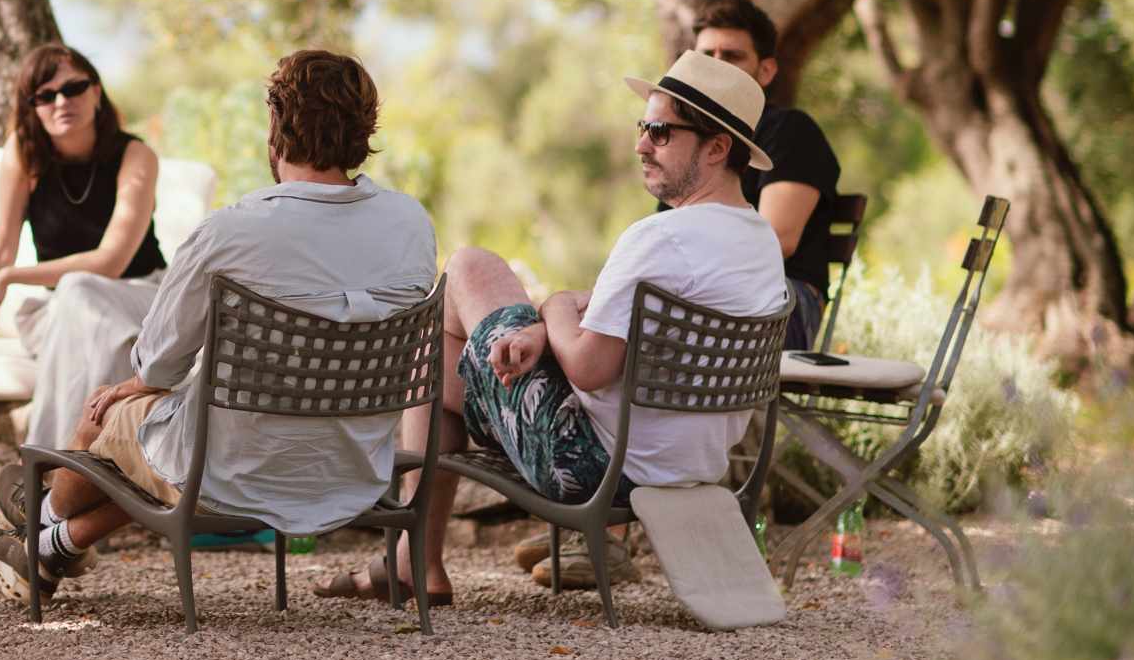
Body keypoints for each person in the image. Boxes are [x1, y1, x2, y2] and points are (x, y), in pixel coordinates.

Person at [0, 50, 437, 605]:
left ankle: (39, 515)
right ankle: (48, 550)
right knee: (190, 431)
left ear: (276, 129)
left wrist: (131, 388)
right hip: (352, 469)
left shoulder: (232, 232)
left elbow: (160, 362)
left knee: (116, 414)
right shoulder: (412, 224)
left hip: (224, 474)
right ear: (366, 129)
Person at [322, 50, 786, 608]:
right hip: (689, 468)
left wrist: (557, 305)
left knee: (469, 269)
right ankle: (413, 564)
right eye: (643, 126)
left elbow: (589, 369)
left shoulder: (659, 238)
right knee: (437, 360)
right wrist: (546, 328)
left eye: (661, 132)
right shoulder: (758, 242)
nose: (641, 144)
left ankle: (412, 561)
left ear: (717, 148)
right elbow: (623, 315)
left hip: (593, 465)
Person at [0, 43, 165, 485]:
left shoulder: (136, 156)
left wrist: (10, 277)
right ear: (31, 106)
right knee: (79, 308)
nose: (61, 102)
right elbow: (1, 246)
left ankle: (38, 473)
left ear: (96, 92)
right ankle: (84, 484)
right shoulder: (25, 154)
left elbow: (109, 263)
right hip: (65, 312)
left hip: (139, 300)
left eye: (73, 88)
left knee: (80, 291)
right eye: (45, 95)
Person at [689, 0, 844, 350]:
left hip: (781, 300)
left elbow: (776, 242)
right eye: (705, 56)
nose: (716, 66)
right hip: (699, 295)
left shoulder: (790, 131)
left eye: (732, 56)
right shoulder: (688, 141)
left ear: (766, 71)